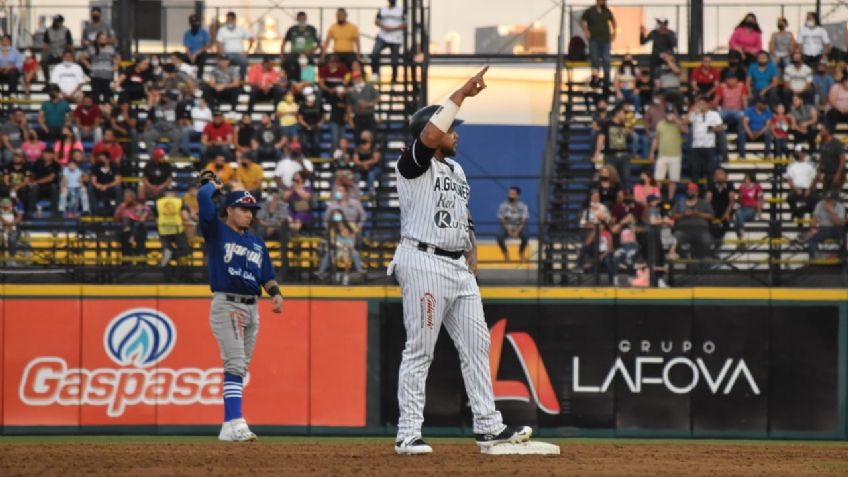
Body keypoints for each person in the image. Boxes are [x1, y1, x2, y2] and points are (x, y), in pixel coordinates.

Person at [388, 67, 531, 454]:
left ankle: (488, 426)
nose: (457, 134)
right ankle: (408, 432)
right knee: (421, 349)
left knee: (477, 346)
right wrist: (462, 94)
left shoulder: (456, 168)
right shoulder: (413, 163)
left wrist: (472, 251)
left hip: (457, 266)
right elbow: (432, 134)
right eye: (452, 129)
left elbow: (462, 214)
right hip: (423, 260)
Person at [195, 174, 283, 445]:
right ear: (230, 210)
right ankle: (238, 421)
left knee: (240, 368)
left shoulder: (256, 242)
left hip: (252, 307)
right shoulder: (216, 231)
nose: (249, 214)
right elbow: (202, 199)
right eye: (243, 209)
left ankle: (227, 426)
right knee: (234, 363)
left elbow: (266, 274)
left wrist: (276, 293)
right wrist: (212, 187)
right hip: (228, 303)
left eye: (251, 210)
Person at [318, 185, 366, 282]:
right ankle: (321, 273)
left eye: (340, 190)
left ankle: (359, 271)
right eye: (337, 190)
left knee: (353, 252)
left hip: (350, 239)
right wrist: (330, 229)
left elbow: (363, 216)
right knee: (330, 253)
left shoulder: (354, 204)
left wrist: (357, 228)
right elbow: (325, 220)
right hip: (336, 242)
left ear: (346, 193)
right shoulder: (332, 206)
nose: (338, 193)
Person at [649, 102, 687, 200]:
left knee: (673, 180)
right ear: (665, 113)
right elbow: (656, 139)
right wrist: (652, 152)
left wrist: (676, 121)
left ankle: (670, 199)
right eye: (667, 113)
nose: (669, 115)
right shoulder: (660, 124)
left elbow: (685, 130)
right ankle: (658, 197)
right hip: (662, 155)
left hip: (675, 155)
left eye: (671, 113)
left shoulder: (678, 123)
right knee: (658, 178)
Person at [580, 0, 616, 92]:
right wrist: (585, 30)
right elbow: (581, 20)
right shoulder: (590, 11)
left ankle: (607, 82)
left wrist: (614, 33)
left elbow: (613, 22)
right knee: (594, 58)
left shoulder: (607, 11)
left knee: (606, 59)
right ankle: (595, 79)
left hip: (605, 40)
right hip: (594, 39)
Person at [671, 182, 714, 259]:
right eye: (688, 190)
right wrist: (684, 214)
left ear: (697, 192)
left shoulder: (703, 203)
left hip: (701, 231)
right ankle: (685, 257)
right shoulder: (681, 202)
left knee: (706, 242)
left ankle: (699, 261)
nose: (690, 192)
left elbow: (711, 216)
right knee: (673, 240)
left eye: (692, 190)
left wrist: (698, 214)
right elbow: (673, 215)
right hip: (683, 231)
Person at [593, 105, 631, 191]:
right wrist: (597, 154)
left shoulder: (624, 125)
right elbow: (601, 138)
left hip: (624, 155)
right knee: (611, 177)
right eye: (623, 113)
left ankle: (625, 197)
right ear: (617, 113)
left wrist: (629, 132)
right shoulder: (607, 124)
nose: (624, 115)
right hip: (611, 155)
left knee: (626, 178)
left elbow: (628, 139)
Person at [688, 96, 723, 186]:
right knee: (695, 171)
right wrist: (692, 111)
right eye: (700, 104)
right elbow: (685, 121)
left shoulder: (714, 114)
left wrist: (712, 129)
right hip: (696, 147)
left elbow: (720, 127)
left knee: (710, 171)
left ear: (708, 105)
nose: (701, 106)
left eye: (703, 104)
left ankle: (710, 192)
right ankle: (695, 193)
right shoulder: (694, 114)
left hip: (709, 147)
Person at [154, 186, 191, 270]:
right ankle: (174, 255)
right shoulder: (179, 201)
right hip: (177, 228)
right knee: (185, 249)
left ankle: (168, 252)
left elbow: (156, 218)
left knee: (166, 247)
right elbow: (185, 216)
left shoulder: (158, 202)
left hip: (163, 229)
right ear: (174, 193)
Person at [802, 191, 846, 259]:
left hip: (836, 228)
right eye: (826, 199)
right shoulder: (820, 204)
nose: (827, 201)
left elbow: (839, 224)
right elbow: (815, 218)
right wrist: (813, 229)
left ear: (834, 200)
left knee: (843, 238)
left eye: (829, 200)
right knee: (811, 239)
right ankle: (818, 257)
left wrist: (831, 211)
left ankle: (839, 257)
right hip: (823, 228)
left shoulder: (840, 206)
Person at [79, 32, 119, 104]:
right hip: (95, 75)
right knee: (96, 96)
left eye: (105, 39)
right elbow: (82, 57)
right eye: (101, 38)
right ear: (97, 39)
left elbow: (117, 57)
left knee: (106, 96)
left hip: (107, 75)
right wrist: (88, 65)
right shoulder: (92, 49)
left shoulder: (111, 49)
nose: (103, 40)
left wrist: (115, 65)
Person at [372, 0, 406, 83]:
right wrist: (384, 26)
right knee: (375, 53)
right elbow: (376, 21)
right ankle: (375, 73)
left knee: (394, 60)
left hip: (396, 39)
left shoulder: (401, 10)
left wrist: (392, 29)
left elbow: (406, 24)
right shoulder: (382, 9)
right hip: (383, 36)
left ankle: (394, 78)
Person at [715, 75, 749, 161]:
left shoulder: (741, 86)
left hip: (737, 110)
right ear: (726, 80)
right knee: (717, 120)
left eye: (733, 79)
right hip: (725, 110)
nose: (731, 81)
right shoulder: (722, 86)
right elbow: (716, 100)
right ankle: (723, 153)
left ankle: (742, 153)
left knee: (742, 122)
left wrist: (747, 113)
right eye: (729, 79)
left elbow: (744, 99)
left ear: (736, 80)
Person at [281, 11, 320, 82]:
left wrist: (310, 51)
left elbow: (318, 44)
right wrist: (282, 56)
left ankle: (309, 82)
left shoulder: (311, 29)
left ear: (306, 19)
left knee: (310, 64)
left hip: (307, 54)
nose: (302, 20)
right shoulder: (292, 29)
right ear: (297, 19)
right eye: (300, 18)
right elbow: (283, 43)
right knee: (286, 63)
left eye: (303, 18)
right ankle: (290, 81)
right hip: (294, 53)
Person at [142, 88, 182, 156]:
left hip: (171, 129)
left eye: (166, 96)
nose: (165, 98)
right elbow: (149, 120)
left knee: (178, 135)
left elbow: (179, 119)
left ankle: (171, 158)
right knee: (146, 136)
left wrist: (180, 129)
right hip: (158, 130)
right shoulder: (155, 106)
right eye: (163, 96)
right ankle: (153, 158)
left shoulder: (175, 106)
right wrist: (145, 130)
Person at [216, 11, 254, 79]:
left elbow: (251, 39)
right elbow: (219, 44)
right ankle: (223, 81)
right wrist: (220, 55)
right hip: (226, 54)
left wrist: (247, 51)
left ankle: (241, 81)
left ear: (234, 20)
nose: (229, 21)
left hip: (239, 54)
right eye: (228, 19)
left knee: (244, 62)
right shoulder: (222, 30)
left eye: (231, 19)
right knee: (219, 63)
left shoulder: (241, 29)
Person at [496, 186, 529, 261]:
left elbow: (524, 220)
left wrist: (517, 230)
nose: (510, 195)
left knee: (526, 236)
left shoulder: (523, 206)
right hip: (506, 227)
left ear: (518, 195)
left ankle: (521, 252)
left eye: (513, 194)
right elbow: (501, 219)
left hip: (519, 227)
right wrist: (508, 230)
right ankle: (505, 253)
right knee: (499, 236)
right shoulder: (503, 205)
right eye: (509, 193)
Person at [786, 145, 818, 223]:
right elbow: (789, 180)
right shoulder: (791, 166)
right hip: (796, 189)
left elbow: (814, 179)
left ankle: (799, 212)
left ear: (803, 153)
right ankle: (797, 213)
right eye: (796, 152)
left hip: (808, 189)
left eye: (798, 152)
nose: (796, 154)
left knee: (816, 199)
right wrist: (795, 189)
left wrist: (809, 189)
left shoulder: (810, 165)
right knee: (789, 198)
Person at [113, 189, 151, 257]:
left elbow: (147, 212)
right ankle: (126, 261)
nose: (126, 199)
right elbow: (115, 218)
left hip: (139, 229)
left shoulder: (140, 206)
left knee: (139, 230)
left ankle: (141, 261)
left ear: (133, 198)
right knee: (125, 236)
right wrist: (121, 208)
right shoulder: (122, 206)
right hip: (125, 231)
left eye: (128, 197)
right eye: (125, 197)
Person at [705, 168, 735, 244]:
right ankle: (712, 241)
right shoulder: (711, 186)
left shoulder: (729, 185)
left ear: (725, 176)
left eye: (721, 174)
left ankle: (719, 241)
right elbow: (708, 200)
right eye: (717, 174)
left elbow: (732, 201)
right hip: (713, 210)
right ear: (714, 177)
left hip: (725, 209)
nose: (719, 176)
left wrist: (727, 213)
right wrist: (709, 213)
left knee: (726, 222)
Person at [347, 71, 380, 143]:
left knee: (372, 137)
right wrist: (350, 120)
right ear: (353, 80)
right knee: (358, 138)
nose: (358, 79)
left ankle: (372, 152)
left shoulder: (369, 87)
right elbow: (349, 106)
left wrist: (369, 104)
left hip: (369, 116)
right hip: (358, 117)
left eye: (359, 77)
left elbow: (378, 98)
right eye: (355, 78)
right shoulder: (351, 91)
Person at [28, 150, 61, 216]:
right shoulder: (37, 163)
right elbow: (32, 174)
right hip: (38, 186)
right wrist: (31, 181)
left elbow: (50, 178)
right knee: (33, 188)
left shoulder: (56, 165)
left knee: (54, 187)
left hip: (49, 185)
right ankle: (30, 211)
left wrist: (36, 182)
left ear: (52, 155)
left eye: (48, 154)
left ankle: (54, 212)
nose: (45, 155)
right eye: (45, 153)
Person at [41, 15, 73, 81]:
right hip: (51, 53)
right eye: (55, 21)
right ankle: (47, 81)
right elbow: (45, 45)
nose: (57, 23)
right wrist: (43, 57)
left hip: (62, 53)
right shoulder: (48, 30)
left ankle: (64, 81)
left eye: (59, 21)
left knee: (66, 64)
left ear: (61, 22)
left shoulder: (66, 31)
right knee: (44, 63)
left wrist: (72, 56)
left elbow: (70, 45)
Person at [732, 173, 763, 241]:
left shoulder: (757, 186)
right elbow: (739, 201)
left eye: (748, 179)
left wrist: (760, 214)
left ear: (752, 179)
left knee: (737, 218)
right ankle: (742, 236)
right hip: (743, 208)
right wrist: (738, 197)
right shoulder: (742, 187)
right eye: (745, 179)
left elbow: (759, 200)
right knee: (737, 213)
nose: (746, 181)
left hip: (752, 209)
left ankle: (740, 238)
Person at [817, 126, 846, 195]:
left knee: (834, 195)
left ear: (827, 131)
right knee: (825, 194)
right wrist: (819, 170)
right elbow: (822, 157)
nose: (820, 132)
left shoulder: (836, 143)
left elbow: (842, 159)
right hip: (827, 173)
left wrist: (838, 174)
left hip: (836, 172)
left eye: (822, 130)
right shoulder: (822, 142)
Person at [352, 130, 381, 196]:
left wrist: (366, 163)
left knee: (371, 174)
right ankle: (354, 192)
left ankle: (371, 191)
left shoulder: (375, 146)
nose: (363, 138)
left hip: (374, 168)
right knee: (356, 175)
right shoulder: (358, 147)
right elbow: (356, 161)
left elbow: (376, 159)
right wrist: (364, 165)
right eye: (362, 137)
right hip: (361, 168)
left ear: (370, 138)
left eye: (365, 137)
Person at [184, 14, 211, 78]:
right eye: (192, 22)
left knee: (202, 61)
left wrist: (196, 53)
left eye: (195, 22)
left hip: (201, 53)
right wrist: (190, 56)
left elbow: (207, 46)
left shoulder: (204, 32)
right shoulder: (187, 33)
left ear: (199, 22)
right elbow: (187, 48)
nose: (194, 23)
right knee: (184, 62)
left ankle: (199, 79)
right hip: (191, 54)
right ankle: (186, 78)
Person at [297, 93, 324, 158]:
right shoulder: (302, 106)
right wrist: (306, 125)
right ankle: (305, 158)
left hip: (316, 127)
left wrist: (320, 123)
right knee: (304, 144)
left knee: (316, 144)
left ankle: (316, 160)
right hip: (305, 128)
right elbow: (300, 118)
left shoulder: (318, 105)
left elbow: (323, 116)